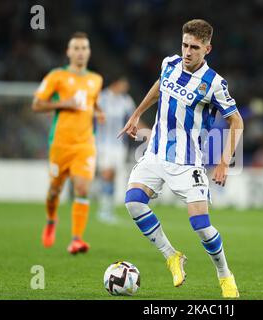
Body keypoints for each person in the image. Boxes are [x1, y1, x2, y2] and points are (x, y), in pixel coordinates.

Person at [118, 19, 243, 298]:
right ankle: (172, 256)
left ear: (207, 49)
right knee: (133, 203)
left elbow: (237, 122)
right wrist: (137, 113)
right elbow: (160, 86)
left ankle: (225, 275)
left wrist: (224, 161)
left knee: (200, 224)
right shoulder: (170, 63)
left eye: (194, 47)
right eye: (185, 45)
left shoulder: (214, 84)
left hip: (188, 162)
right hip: (156, 153)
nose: (187, 52)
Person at [32, 32, 104, 254]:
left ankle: (76, 239)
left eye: (84, 48)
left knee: (82, 189)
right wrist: (64, 103)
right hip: (60, 144)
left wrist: (99, 112)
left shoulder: (96, 80)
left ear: (89, 52)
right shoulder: (57, 76)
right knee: (55, 191)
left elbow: (92, 103)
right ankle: (51, 220)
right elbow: (36, 104)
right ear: (68, 52)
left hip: (85, 145)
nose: (80, 52)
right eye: (76, 48)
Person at [96, 77, 136, 224]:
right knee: (106, 174)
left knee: (112, 176)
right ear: (115, 83)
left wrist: (147, 132)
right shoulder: (101, 98)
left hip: (119, 146)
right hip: (103, 144)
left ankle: (107, 210)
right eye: (123, 85)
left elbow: (134, 117)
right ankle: (103, 210)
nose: (125, 89)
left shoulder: (126, 100)